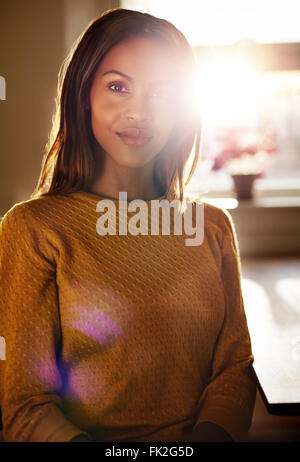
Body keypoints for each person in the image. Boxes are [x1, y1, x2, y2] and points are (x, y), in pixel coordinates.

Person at [0, 8, 256, 442]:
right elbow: (24, 406)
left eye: (161, 93)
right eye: (118, 87)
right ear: (85, 94)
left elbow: (234, 368)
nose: (139, 112)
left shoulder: (211, 225)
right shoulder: (32, 229)